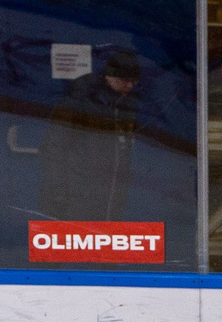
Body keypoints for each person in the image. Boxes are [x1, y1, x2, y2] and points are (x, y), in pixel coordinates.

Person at [49, 46, 148, 222]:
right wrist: (60, 191)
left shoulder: (126, 104)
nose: (131, 86)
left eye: (134, 81)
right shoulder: (81, 100)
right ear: (111, 75)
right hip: (79, 193)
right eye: (126, 80)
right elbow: (55, 146)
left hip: (112, 194)